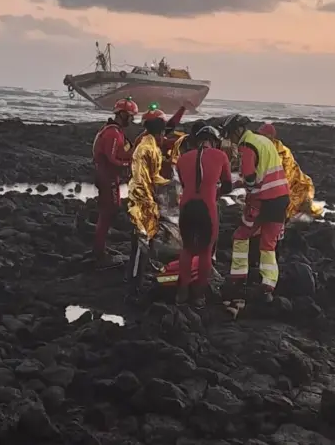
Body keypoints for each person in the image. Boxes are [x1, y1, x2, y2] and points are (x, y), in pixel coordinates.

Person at [222, 114, 289, 297]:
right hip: (281, 198)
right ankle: (268, 285)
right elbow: (265, 172)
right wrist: (241, 183)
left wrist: (245, 190)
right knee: (268, 243)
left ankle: (238, 276)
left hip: (262, 200)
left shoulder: (247, 145)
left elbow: (250, 176)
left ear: (238, 131)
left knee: (241, 236)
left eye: (230, 134)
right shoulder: (264, 141)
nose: (231, 139)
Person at [175, 125, 233, 306]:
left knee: (187, 248)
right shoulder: (221, 156)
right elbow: (228, 185)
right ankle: (199, 295)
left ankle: (182, 291)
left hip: (186, 207)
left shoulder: (182, 159)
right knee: (205, 251)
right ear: (214, 142)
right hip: (207, 207)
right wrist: (216, 193)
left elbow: (184, 184)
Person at [127, 113, 169, 296]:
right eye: (163, 134)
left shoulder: (147, 143)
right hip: (143, 201)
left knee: (145, 242)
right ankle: (134, 285)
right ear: (159, 133)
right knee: (141, 243)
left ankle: (137, 275)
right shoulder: (147, 148)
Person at [91, 97, 138, 260]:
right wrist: (129, 164)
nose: (132, 120)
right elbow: (111, 159)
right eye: (130, 116)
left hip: (108, 176)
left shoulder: (112, 130)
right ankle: (99, 251)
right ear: (123, 115)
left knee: (109, 210)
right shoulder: (112, 133)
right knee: (108, 212)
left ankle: (100, 247)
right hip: (107, 177)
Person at [257, 123, 322, 220]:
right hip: (272, 183)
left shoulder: (283, 152)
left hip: (294, 182)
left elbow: (288, 172)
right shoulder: (259, 148)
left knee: (289, 209)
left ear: (271, 137)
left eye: (264, 136)